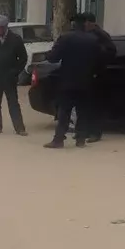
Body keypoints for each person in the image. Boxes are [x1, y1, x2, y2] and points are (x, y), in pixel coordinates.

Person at [44, 14, 103, 149]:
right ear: (84, 25)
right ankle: (81, 139)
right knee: (83, 111)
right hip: (86, 81)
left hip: (68, 81)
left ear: (74, 25)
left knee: (64, 111)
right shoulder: (93, 40)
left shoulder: (66, 38)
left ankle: (59, 139)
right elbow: (99, 60)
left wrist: (47, 54)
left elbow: (53, 57)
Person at [79, 11, 115, 143]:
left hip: (97, 75)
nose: (84, 25)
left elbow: (111, 52)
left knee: (95, 105)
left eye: (85, 22)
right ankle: (87, 131)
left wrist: (97, 61)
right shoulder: (86, 35)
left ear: (91, 23)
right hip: (86, 74)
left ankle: (95, 132)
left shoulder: (101, 35)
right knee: (86, 105)